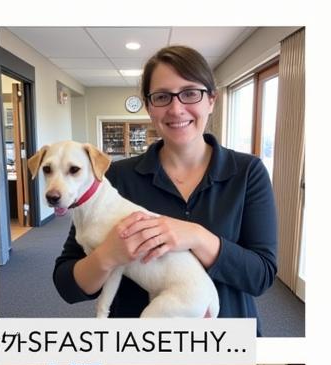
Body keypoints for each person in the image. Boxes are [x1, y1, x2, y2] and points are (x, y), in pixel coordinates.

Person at [52, 46, 277, 331]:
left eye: (190, 93)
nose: (176, 108)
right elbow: (66, 285)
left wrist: (196, 236)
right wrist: (108, 255)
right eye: (161, 96)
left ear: (211, 100)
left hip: (227, 332)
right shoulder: (114, 177)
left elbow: (262, 276)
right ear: (149, 106)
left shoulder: (248, 173)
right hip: (139, 336)